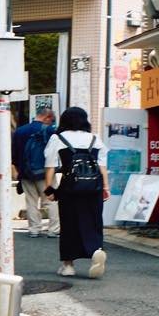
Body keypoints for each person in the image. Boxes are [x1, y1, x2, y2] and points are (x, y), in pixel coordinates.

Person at [43, 106, 107, 278]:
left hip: (70, 187)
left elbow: (50, 166)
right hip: (94, 188)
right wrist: (106, 188)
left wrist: (49, 189)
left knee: (69, 224)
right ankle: (95, 251)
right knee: (93, 222)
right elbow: (102, 165)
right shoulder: (95, 138)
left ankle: (68, 265)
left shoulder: (58, 138)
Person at [12, 107, 58, 237]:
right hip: (45, 174)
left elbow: (14, 154)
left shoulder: (20, 131)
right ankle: (53, 229)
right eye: (52, 120)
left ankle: (34, 229)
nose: (52, 122)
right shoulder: (49, 130)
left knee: (31, 201)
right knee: (51, 200)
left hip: (26, 173)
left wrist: (18, 170)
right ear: (47, 117)